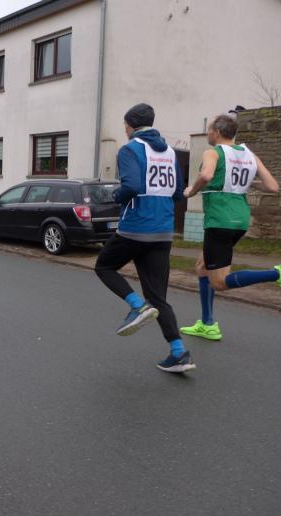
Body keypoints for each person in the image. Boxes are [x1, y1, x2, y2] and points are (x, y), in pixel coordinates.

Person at [94, 103, 195, 373]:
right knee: (158, 298)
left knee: (104, 266)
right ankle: (179, 353)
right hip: (163, 231)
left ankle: (137, 306)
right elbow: (178, 193)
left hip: (135, 227)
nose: (124, 129)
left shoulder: (130, 149)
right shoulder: (170, 152)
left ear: (130, 125)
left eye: (125, 125)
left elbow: (132, 186)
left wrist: (115, 196)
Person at [180, 113, 281, 340]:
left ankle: (276, 274)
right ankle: (207, 324)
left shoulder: (213, 152)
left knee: (219, 282)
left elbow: (206, 175)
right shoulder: (249, 155)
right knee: (202, 266)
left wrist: (191, 191)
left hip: (220, 220)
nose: (207, 133)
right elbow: (272, 187)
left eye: (209, 130)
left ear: (216, 132)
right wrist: (245, 183)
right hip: (240, 219)